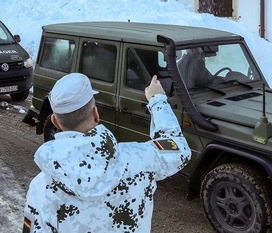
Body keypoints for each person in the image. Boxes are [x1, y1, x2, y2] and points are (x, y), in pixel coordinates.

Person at [23, 72, 191, 232]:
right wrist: (157, 99)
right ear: (96, 114)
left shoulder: (41, 188)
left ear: (55, 122)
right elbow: (179, 149)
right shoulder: (139, 159)